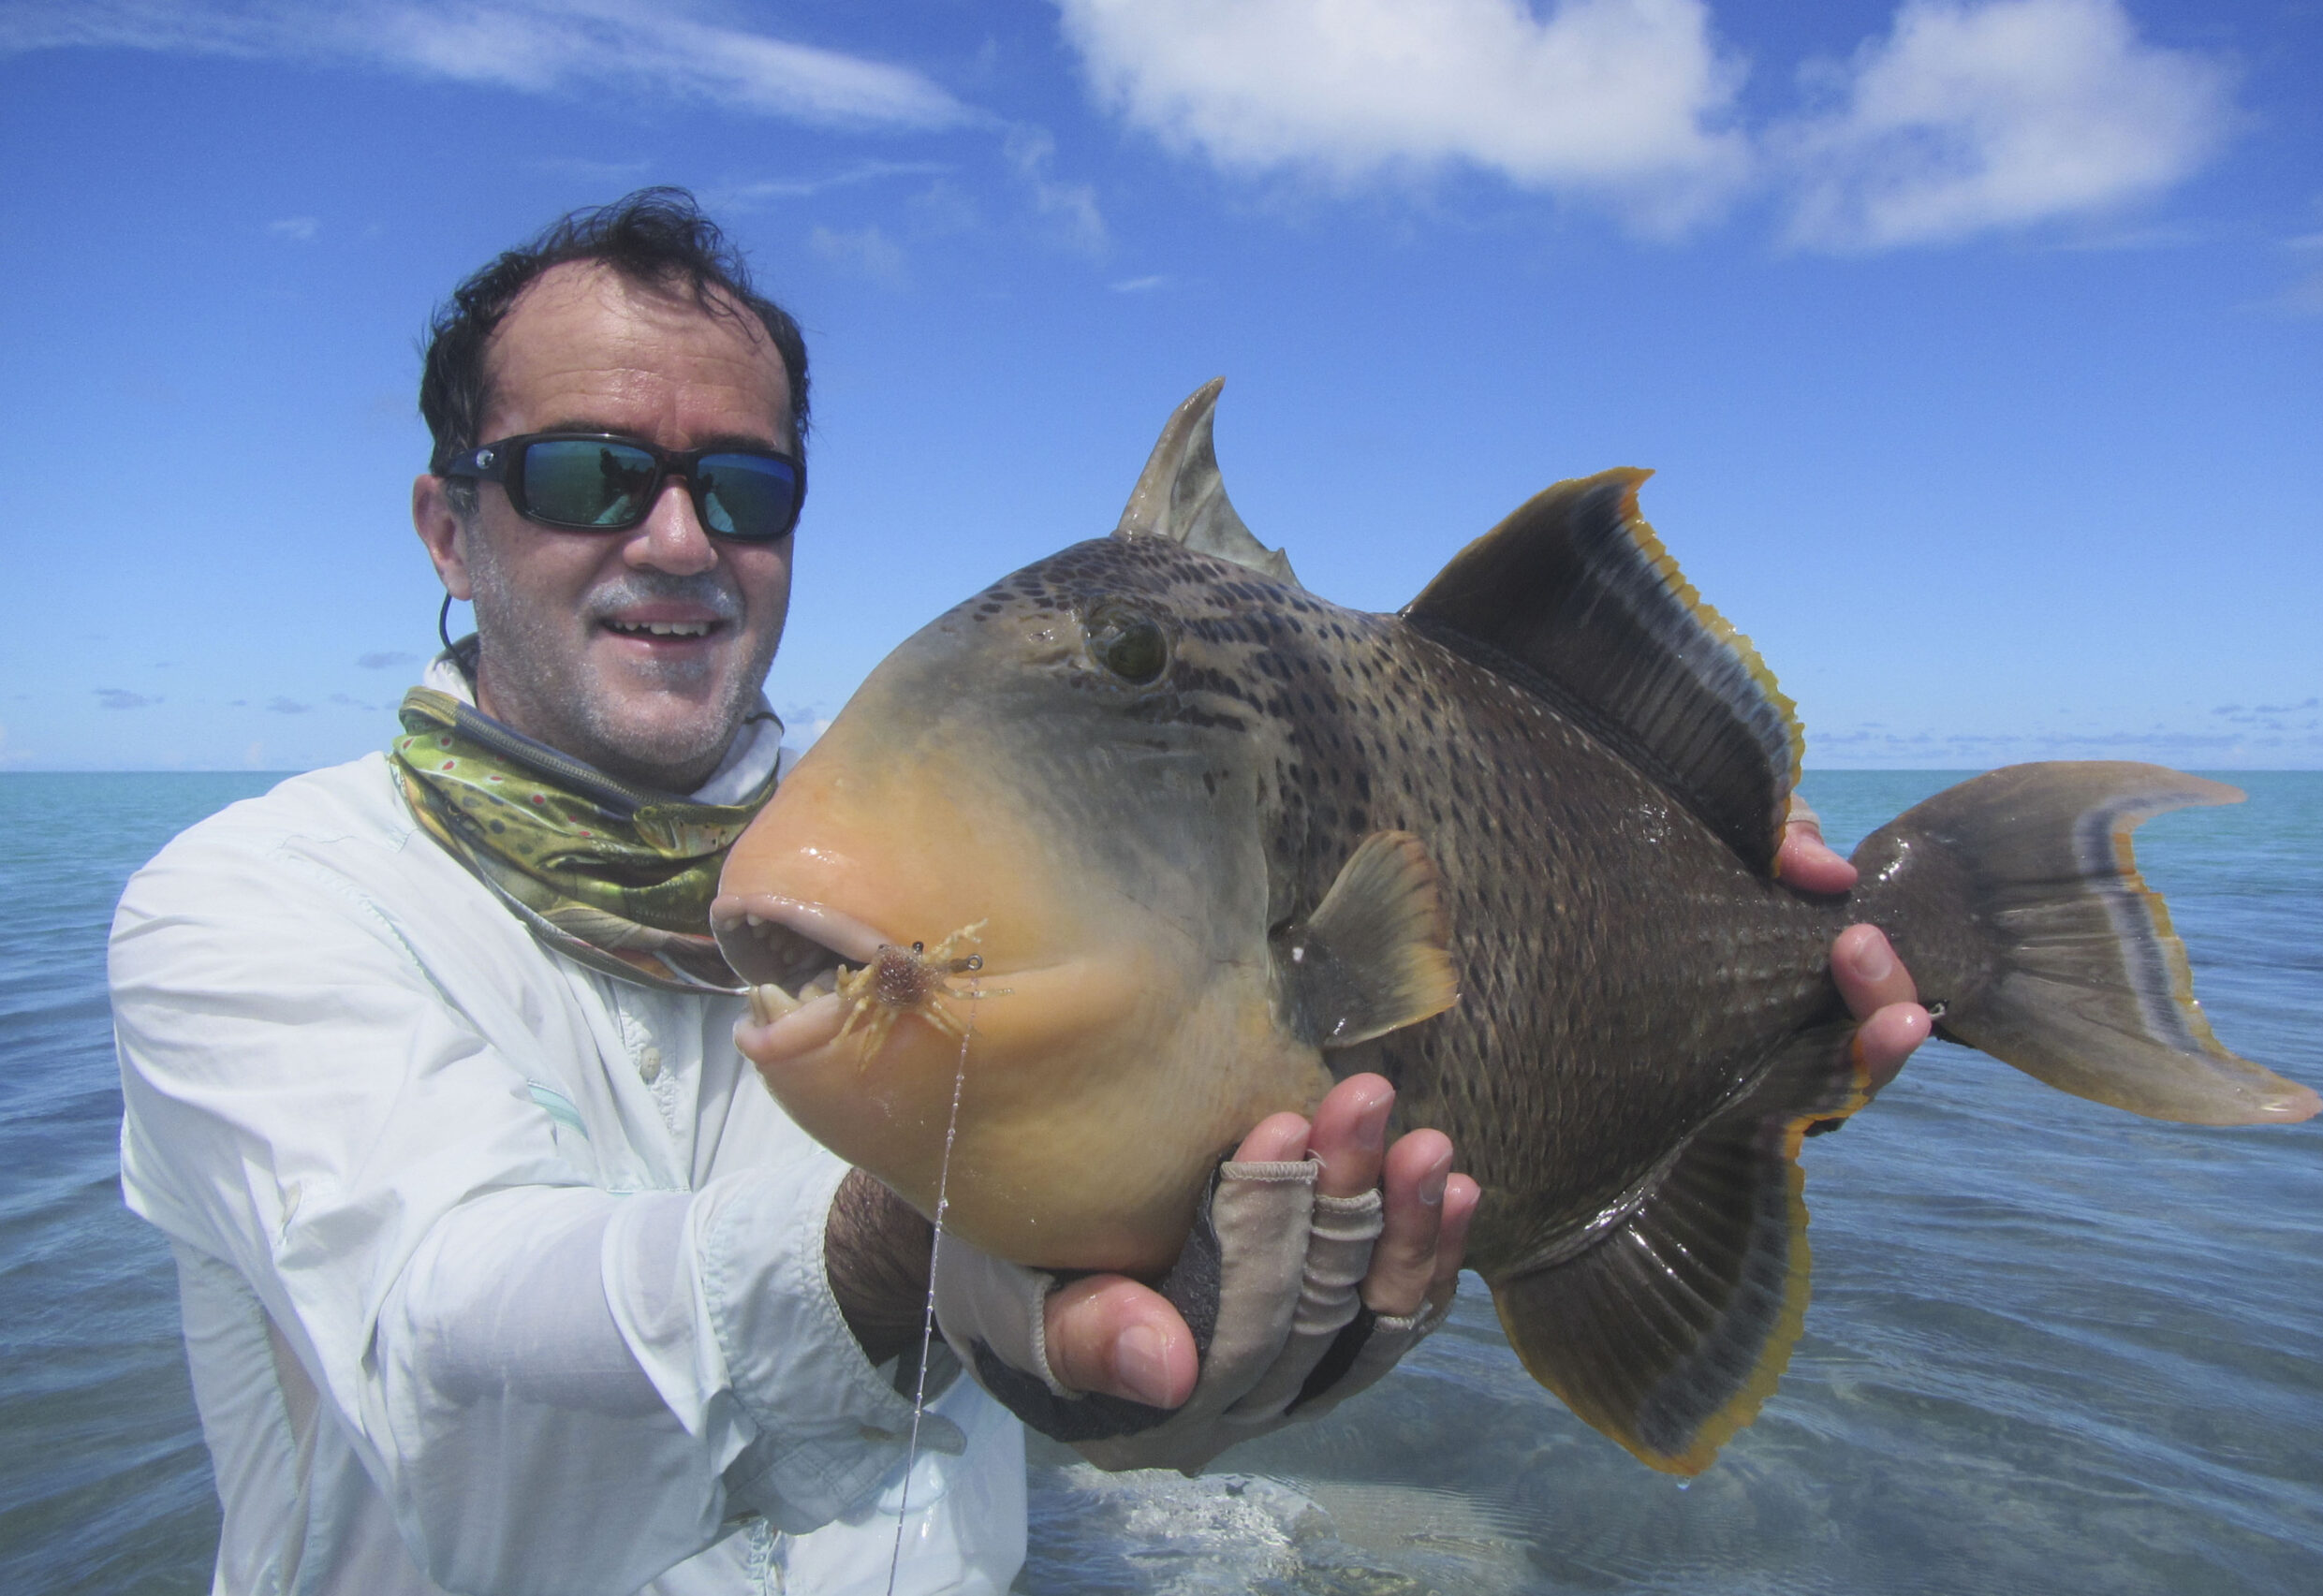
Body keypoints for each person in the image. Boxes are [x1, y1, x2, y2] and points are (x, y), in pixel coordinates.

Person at [110, 190, 1930, 1596]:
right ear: (449, 526)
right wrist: (904, 1244)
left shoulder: (1008, 862)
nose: (676, 538)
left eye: (740, 484)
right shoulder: (253, 901)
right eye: (588, 472)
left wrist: (1667, 966)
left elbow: (1099, 1366)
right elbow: (440, 1315)